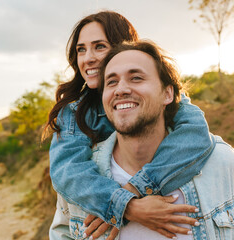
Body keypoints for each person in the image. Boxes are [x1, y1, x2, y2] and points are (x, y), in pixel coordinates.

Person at [50, 41, 234, 240]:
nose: (121, 89)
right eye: (112, 82)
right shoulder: (82, 182)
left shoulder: (221, 162)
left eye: (136, 78)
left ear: (167, 94)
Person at [45, 11, 215, 239]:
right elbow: (68, 172)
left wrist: (134, 188)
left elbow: (195, 137)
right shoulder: (74, 114)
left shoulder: (159, 97)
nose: (88, 58)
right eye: (81, 49)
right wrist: (128, 207)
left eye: (99, 46)